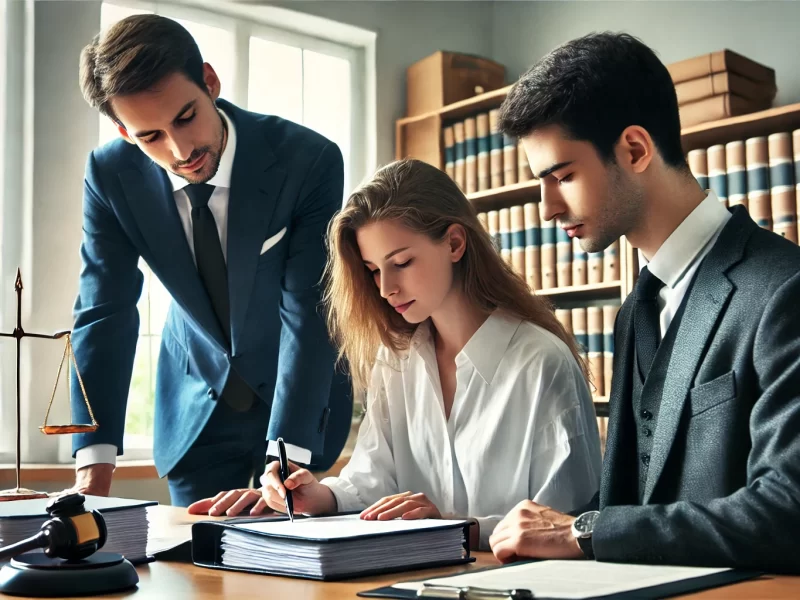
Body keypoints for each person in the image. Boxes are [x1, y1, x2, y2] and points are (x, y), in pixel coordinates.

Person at [489, 32, 800, 573]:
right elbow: (632, 505)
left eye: (562, 176)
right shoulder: (637, 310)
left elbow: (788, 510)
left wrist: (582, 530)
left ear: (635, 149)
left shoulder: (784, 289)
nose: (546, 208)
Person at [188, 159, 602, 549]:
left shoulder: (541, 363)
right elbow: (374, 478)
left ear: (455, 243)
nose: (385, 288)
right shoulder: (396, 360)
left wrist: (455, 525)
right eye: (372, 270)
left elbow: (567, 525)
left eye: (401, 262)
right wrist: (318, 495)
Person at [68, 14, 352, 506]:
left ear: (210, 82)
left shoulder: (307, 160)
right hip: (195, 408)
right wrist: (93, 466)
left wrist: (287, 456)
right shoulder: (110, 176)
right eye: (149, 136)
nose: (181, 151)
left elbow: (308, 307)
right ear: (122, 131)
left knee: (293, 570)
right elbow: (103, 313)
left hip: (295, 401)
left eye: (185, 117)